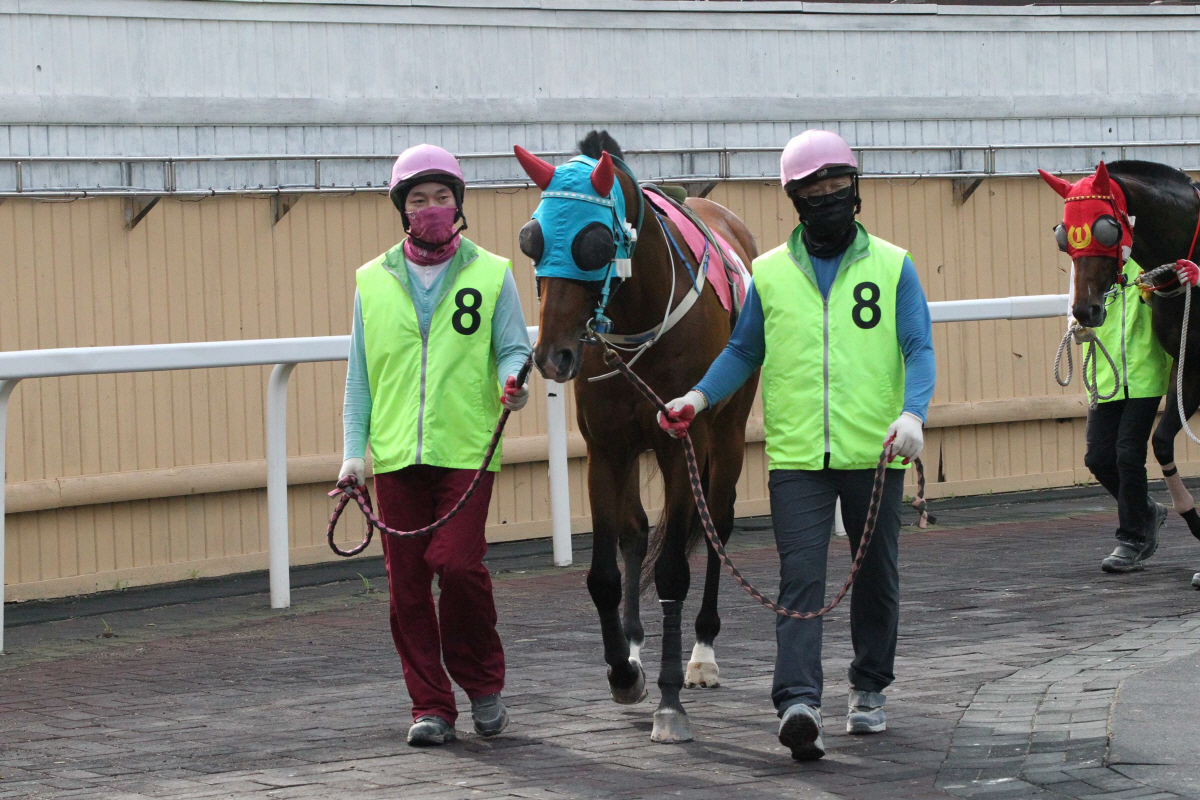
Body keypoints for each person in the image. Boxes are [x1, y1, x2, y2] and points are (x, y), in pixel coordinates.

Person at [657, 130, 935, 761]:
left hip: (877, 450)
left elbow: (918, 348)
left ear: (856, 190)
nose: (829, 198)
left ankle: (868, 688)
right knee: (800, 579)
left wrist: (913, 415)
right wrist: (697, 399)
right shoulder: (770, 274)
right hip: (799, 457)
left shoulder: (893, 265)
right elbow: (743, 349)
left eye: (839, 186)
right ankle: (799, 701)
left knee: (876, 577)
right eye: (815, 190)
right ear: (796, 200)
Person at [339, 144, 532, 746]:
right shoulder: (371, 281)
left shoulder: (492, 272)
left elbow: (513, 347)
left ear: (458, 204)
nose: (431, 208)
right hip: (396, 454)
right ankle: (431, 706)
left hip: (467, 448)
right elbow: (359, 376)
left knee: (456, 564)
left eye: (441, 198)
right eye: (418, 200)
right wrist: (353, 454)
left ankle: (482, 683)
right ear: (402, 209)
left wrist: (515, 381)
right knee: (405, 587)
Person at [1070, 259, 1174, 573]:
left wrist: (1155, 296)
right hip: (1105, 371)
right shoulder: (1094, 260)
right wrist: (1077, 326)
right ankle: (1147, 510)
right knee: (1099, 459)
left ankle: (1132, 538)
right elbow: (1075, 302)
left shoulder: (1152, 255)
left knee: (1128, 455)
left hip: (1145, 372)